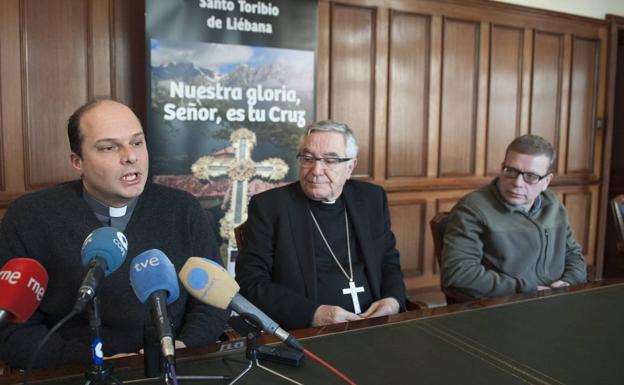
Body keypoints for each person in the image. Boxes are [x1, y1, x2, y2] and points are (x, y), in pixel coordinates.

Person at [0, 99, 229, 368]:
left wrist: (181, 348)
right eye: (109, 147)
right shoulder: (30, 216)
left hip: (173, 366)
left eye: (137, 142)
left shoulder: (183, 208)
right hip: (73, 372)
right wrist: (95, 363)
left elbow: (212, 302)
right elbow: (12, 329)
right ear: (78, 162)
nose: (130, 156)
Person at [235, 120, 406, 330]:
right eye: (308, 159)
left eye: (330, 160)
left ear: (350, 166)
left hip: (377, 325)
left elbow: (389, 260)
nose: (316, 170)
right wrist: (311, 314)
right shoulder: (270, 207)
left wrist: (393, 300)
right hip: (309, 333)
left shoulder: (371, 198)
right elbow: (251, 281)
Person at [441, 134, 587, 299]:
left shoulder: (553, 205)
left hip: (557, 299)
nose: (517, 183)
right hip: (505, 305)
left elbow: (572, 254)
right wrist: (525, 290)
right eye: (511, 171)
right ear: (502, 167)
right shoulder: (473, 208)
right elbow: (458, 273)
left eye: (531, 176)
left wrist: (569, 282)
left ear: (546, 181)